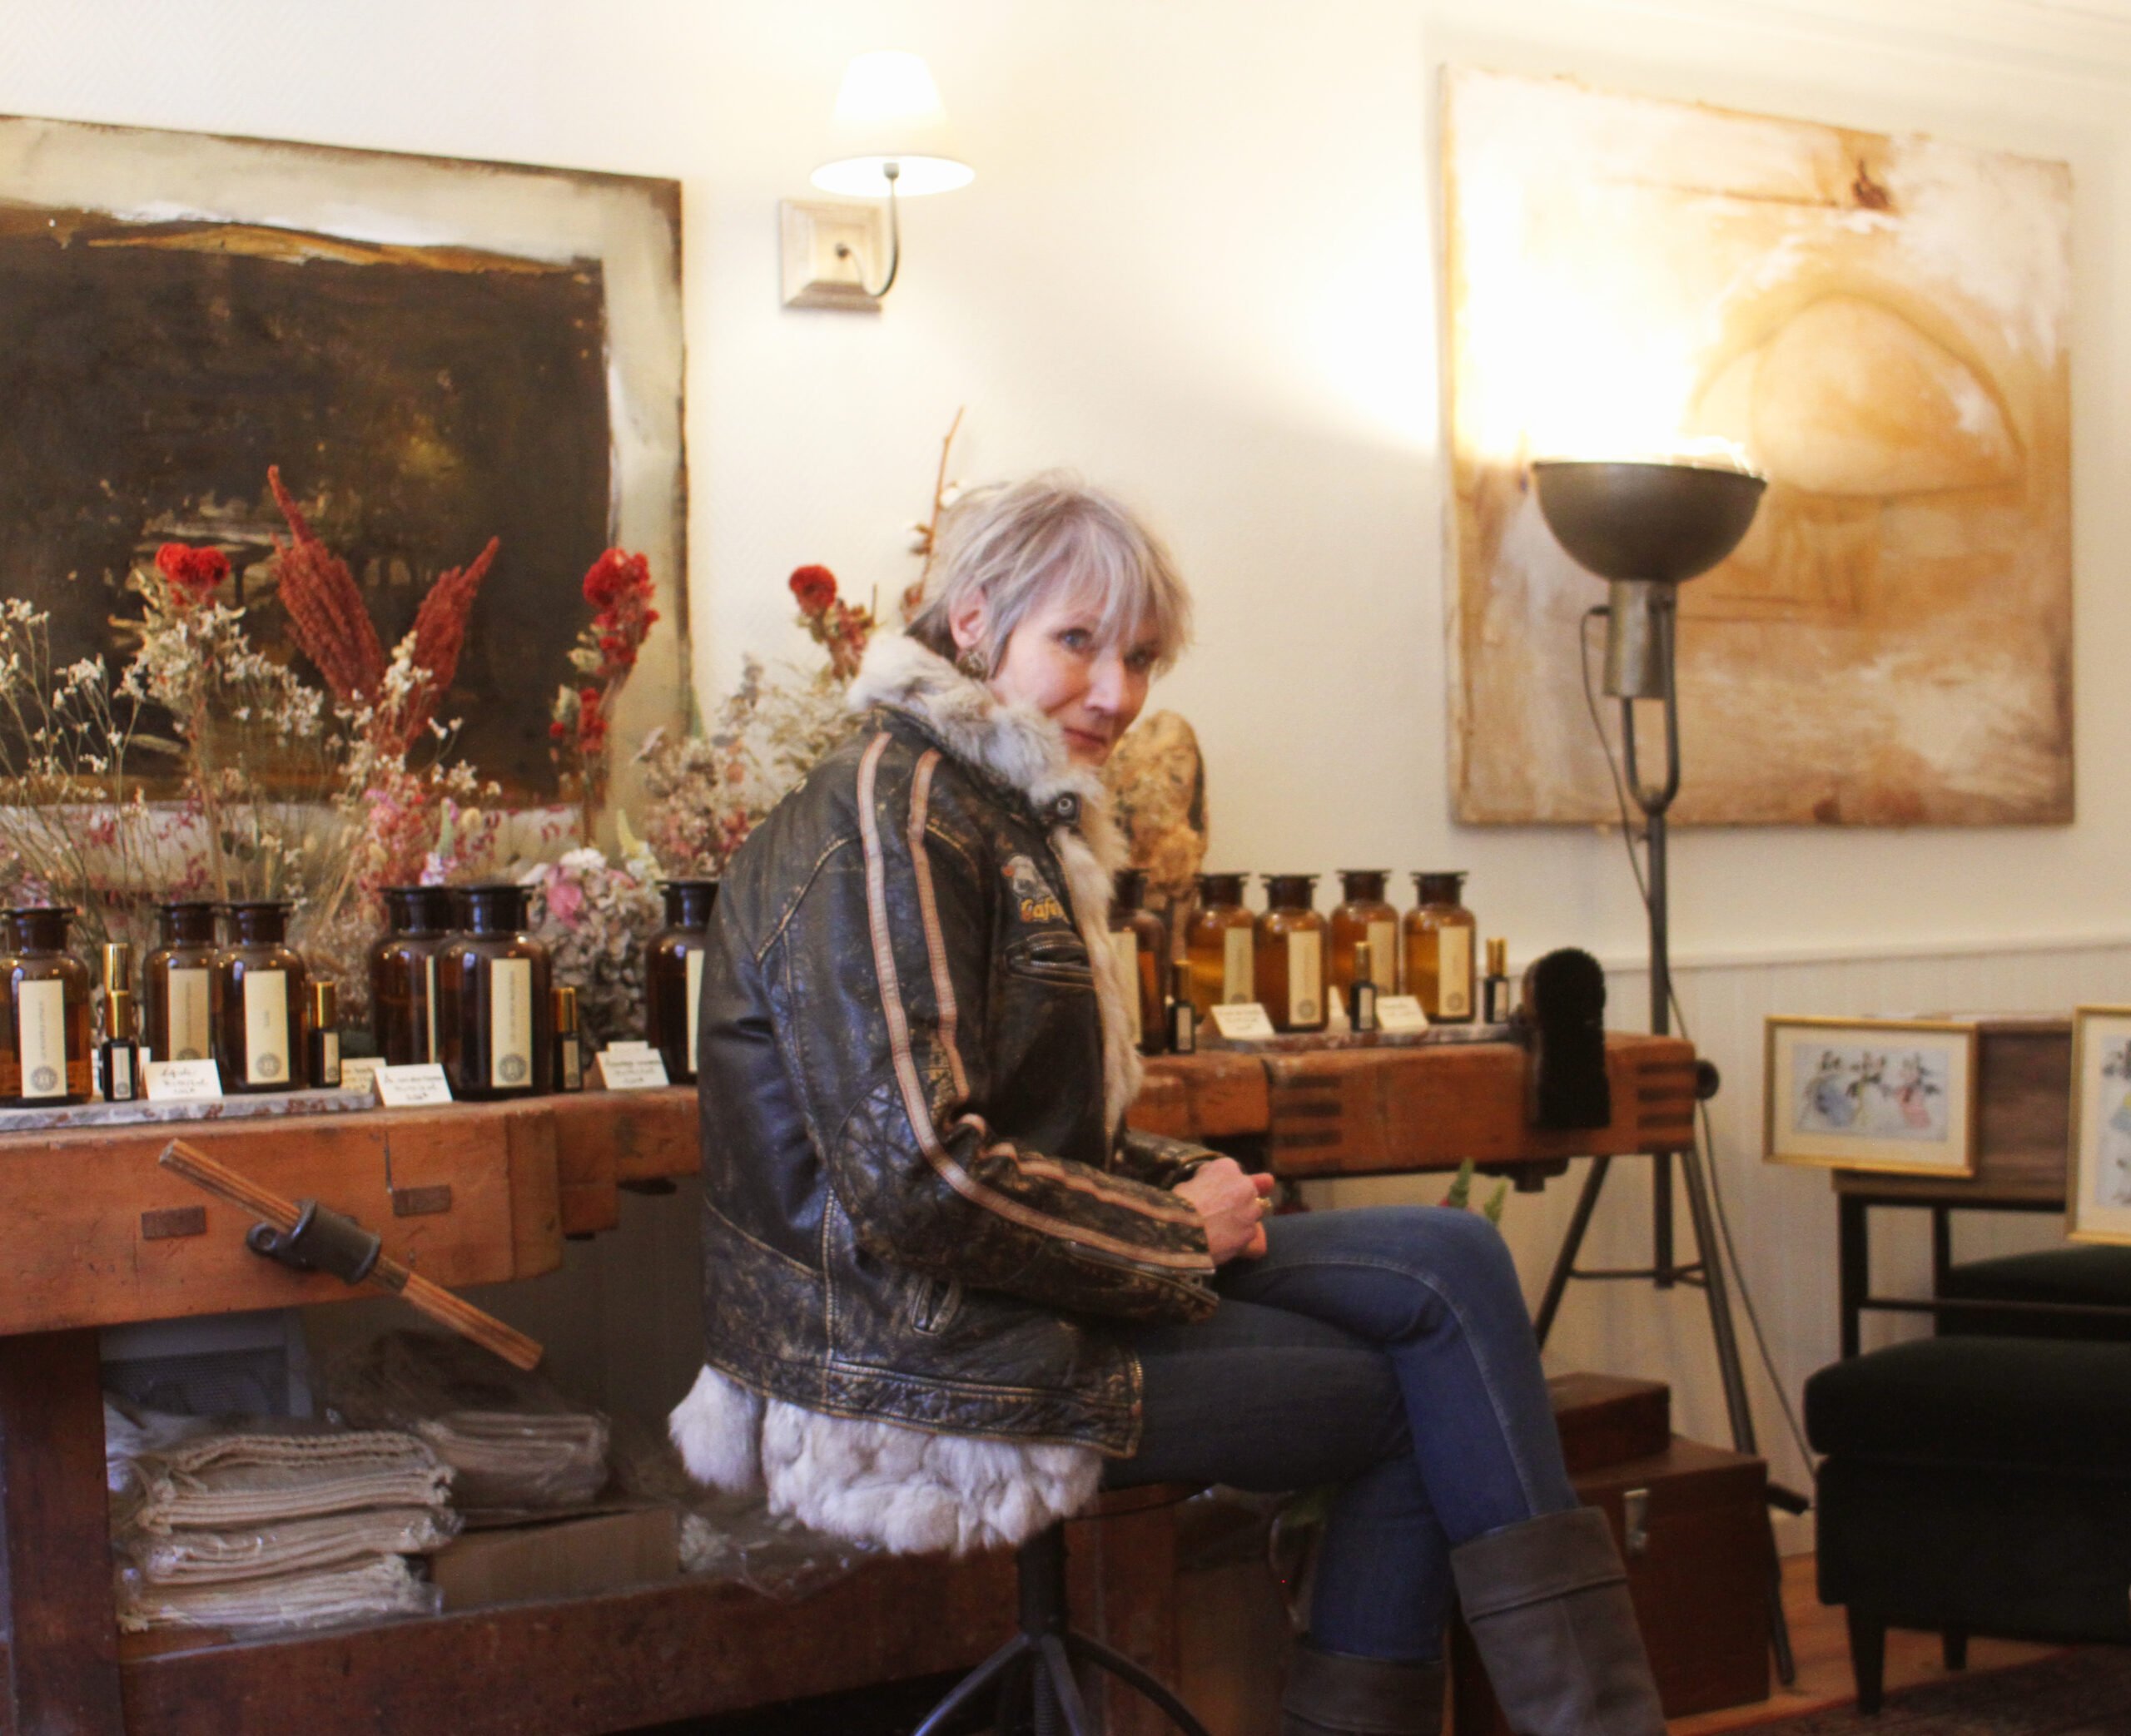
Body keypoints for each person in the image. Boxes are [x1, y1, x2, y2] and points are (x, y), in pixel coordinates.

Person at [671, 474, 1667, 1736]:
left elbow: (1022, 1134)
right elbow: (921, 1178)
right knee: (1422, 1396)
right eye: (1078, 642)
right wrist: (1176, 1230)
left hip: (1012, 1290)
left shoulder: (992, 809)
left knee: (1457, 1257)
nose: (1116, 692)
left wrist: (1181, 1177)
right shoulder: (896, 814)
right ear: (974, 624)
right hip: (911, 1348)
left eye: (1139, 656)